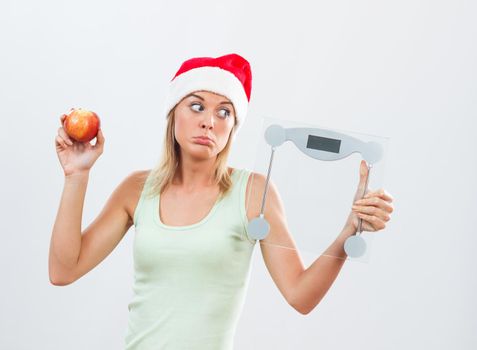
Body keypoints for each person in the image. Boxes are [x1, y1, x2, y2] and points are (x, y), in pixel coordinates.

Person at [49, 53, 394, 349]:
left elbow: (300, 296)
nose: (209, 121)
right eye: (196, 106)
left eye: (224, 112)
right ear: (174, 115)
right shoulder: (137, 190)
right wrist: (76, 177)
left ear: (233, 127)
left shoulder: (253, 193)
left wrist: (350, 229)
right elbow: (64, 271)